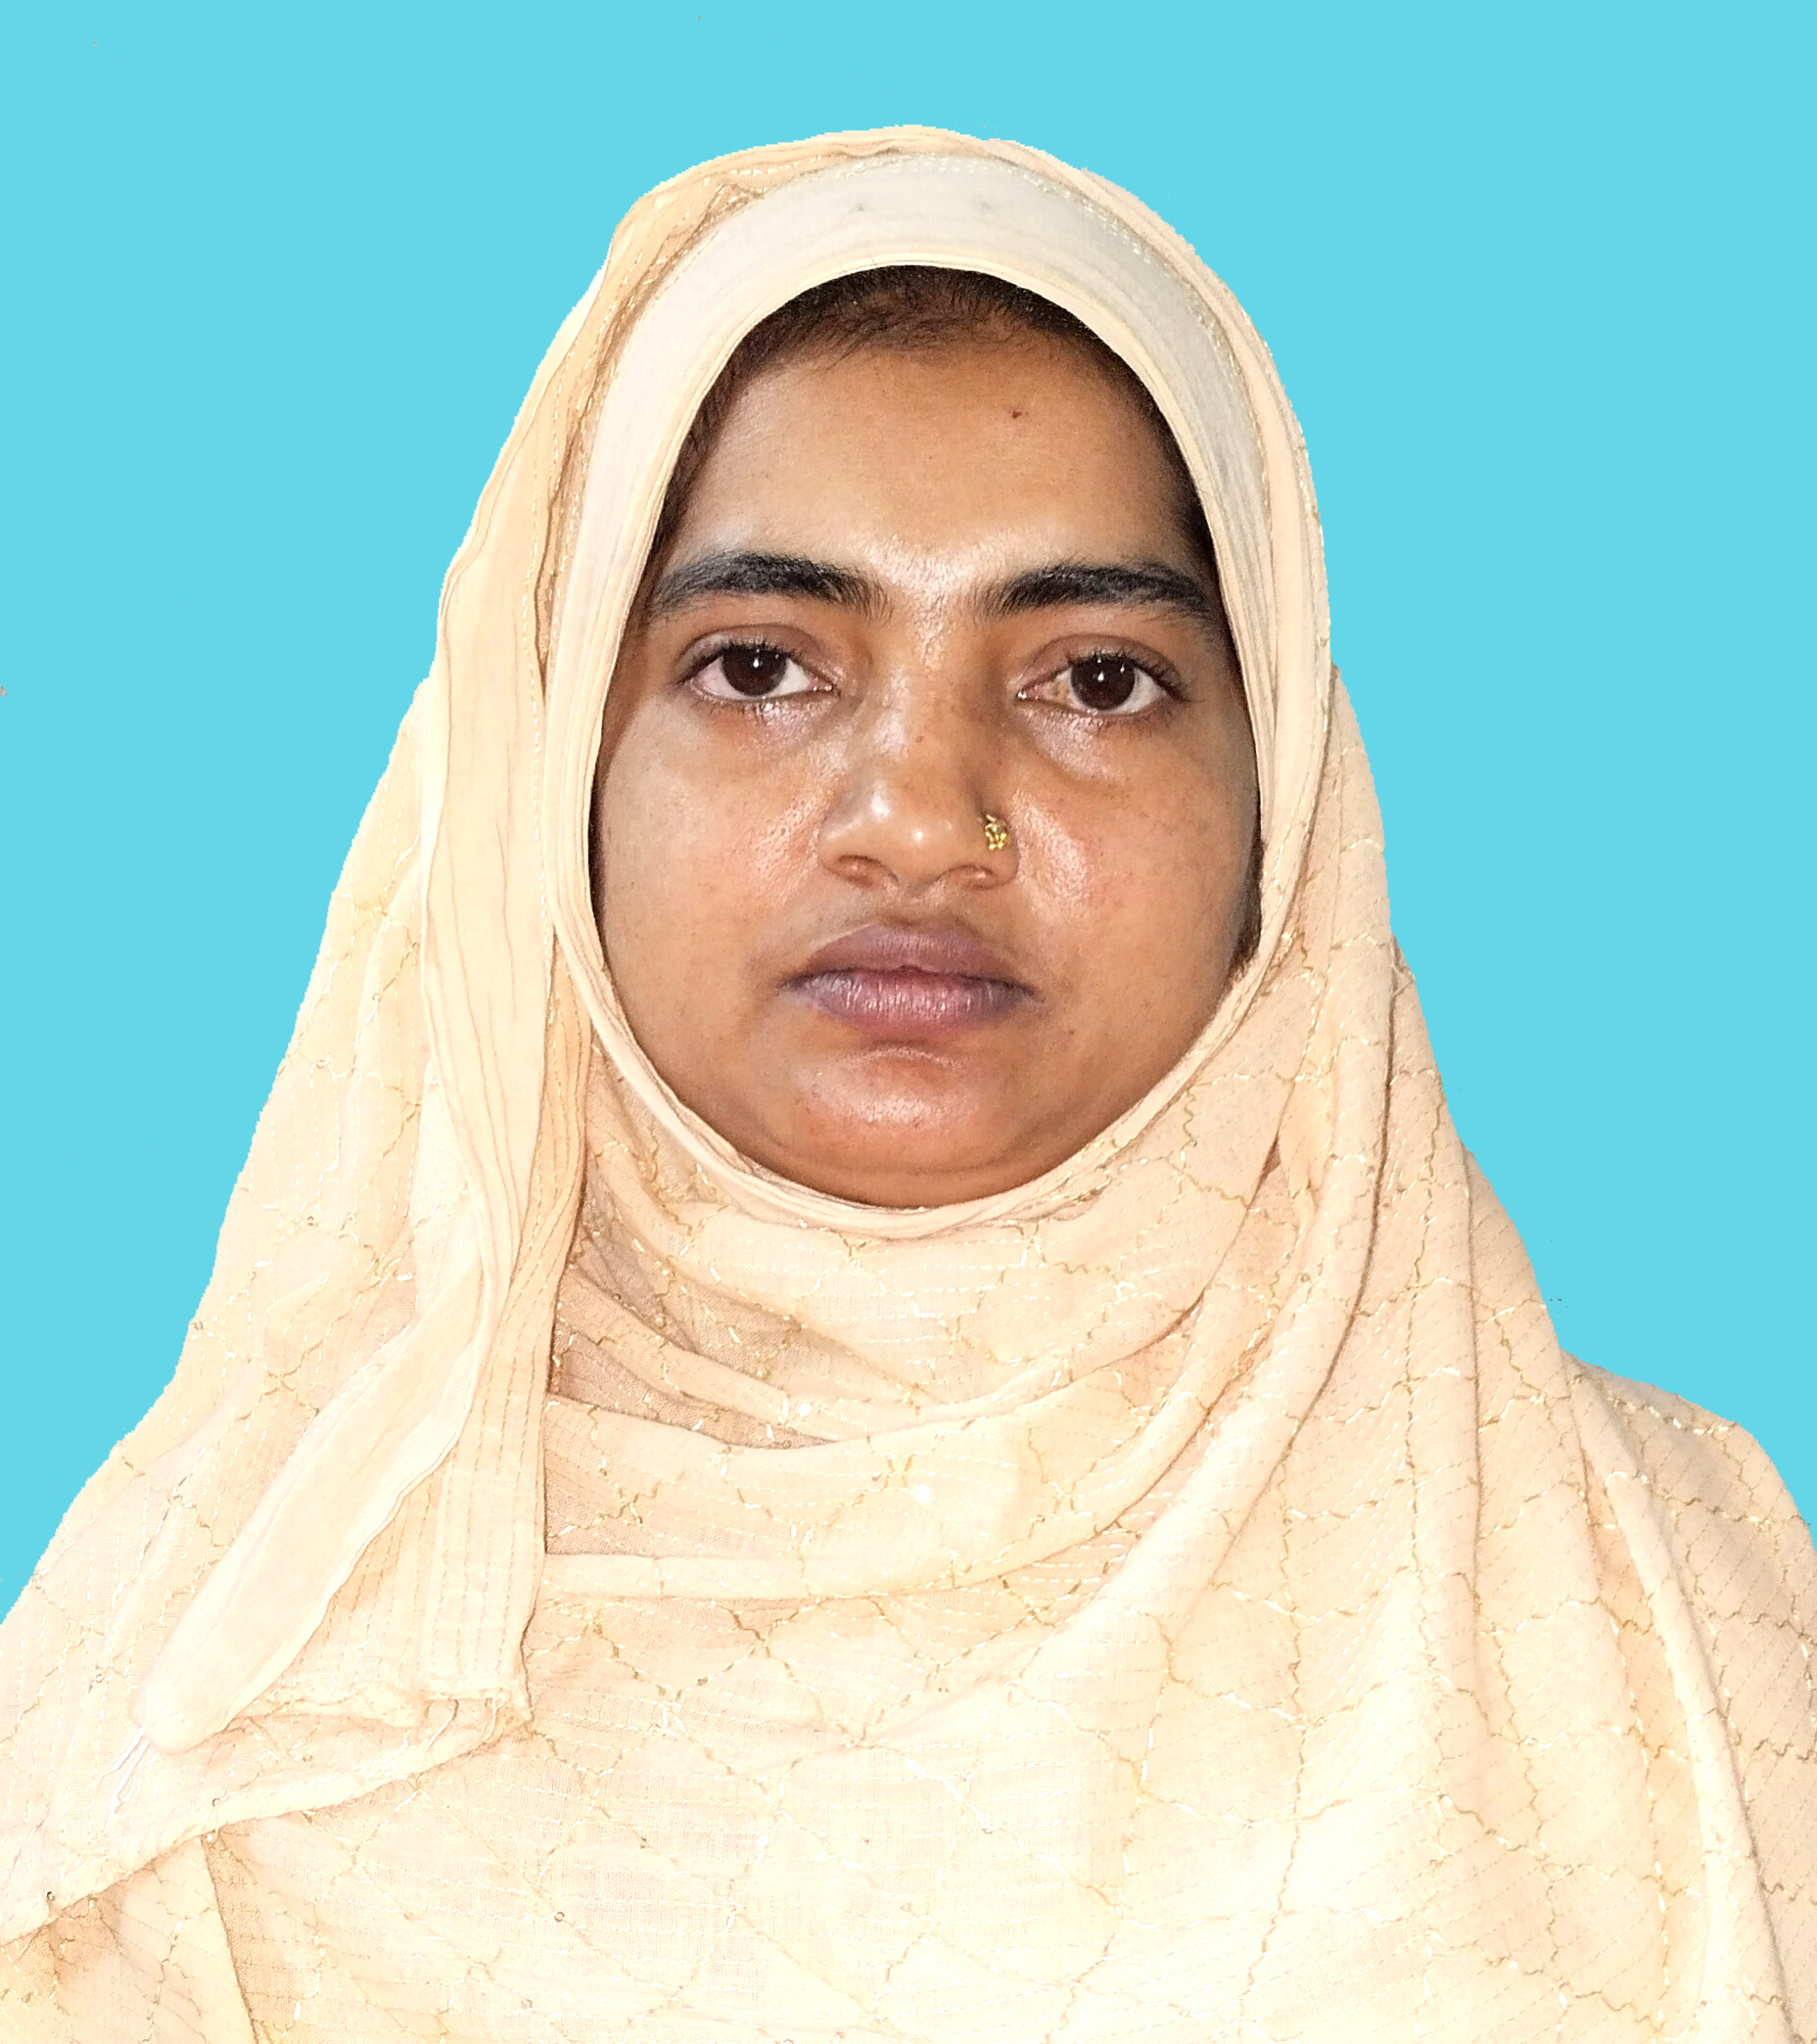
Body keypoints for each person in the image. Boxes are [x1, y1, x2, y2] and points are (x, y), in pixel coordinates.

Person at [2, 127, 1812, 2044]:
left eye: (1094, 680)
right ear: (557, 771)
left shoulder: (1676, 1596)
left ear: (1280, 805)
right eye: (758, 667)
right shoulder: (212, 1702)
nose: (923, 820)